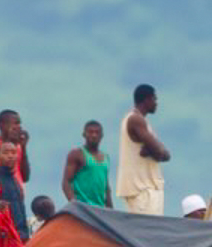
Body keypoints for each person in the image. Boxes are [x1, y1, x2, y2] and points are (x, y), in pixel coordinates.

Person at [115, 83, 170, 214]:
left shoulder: (139, 121)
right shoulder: (135, 119)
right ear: (147, 100)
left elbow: (165, 154)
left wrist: (153, 150)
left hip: (145, 189)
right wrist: (156, 150)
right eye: (154, 99)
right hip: (143, 190)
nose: (156, 103)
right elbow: (160, 152)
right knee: (149, 232)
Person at [0, 142, 30, 242]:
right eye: (5, 153)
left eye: (13, 152)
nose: (10, 156)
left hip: (20, 239)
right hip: (1, 241)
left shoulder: (16, 182)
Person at [61, 121, 111, 208]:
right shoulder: (77, 153)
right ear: (84, 134)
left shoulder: (106, 157)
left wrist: (110, 210)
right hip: (83, 208)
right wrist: (74, 204)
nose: (94, 135)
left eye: (97, 132)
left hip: (101, 209)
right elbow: (66, 182)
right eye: (90, 132)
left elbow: (106, 186)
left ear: (101, 136)